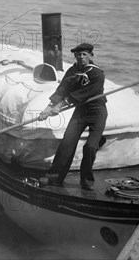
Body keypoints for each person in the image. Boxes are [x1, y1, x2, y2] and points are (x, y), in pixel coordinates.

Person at [39, 43, 107, 190]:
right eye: (78, 55)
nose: (81, 57)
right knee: (67, 143)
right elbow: (63, 89)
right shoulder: (73, 70)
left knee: (90, 146)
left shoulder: (97, 74)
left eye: (84, 54)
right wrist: (49, 107)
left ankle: (87, 182)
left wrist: (61, 105)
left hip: (97, 112)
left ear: (90, 56)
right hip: (81, 112)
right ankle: (54, 178)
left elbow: (83, 94)